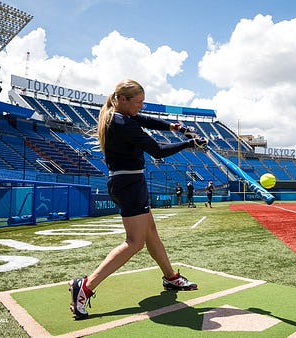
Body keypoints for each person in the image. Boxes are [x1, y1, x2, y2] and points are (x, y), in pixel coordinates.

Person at [69, 79, 207, 320]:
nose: (141, 107)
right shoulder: (122, 122)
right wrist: (190, 143)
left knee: (150, 231)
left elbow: (146, 120)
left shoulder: (118, 115)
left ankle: (171, 277)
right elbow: (158, 151)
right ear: (123, 100)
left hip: (129, 182)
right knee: (135, 242)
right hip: (129, 185)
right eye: (139, 102)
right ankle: (86, 286)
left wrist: (175, 127)